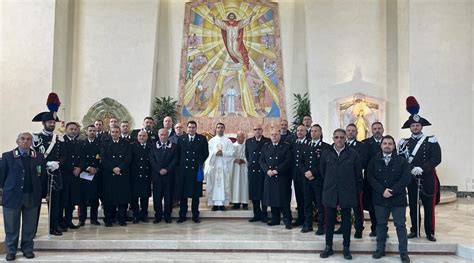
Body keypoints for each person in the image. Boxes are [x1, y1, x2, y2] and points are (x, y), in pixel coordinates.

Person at [399, 96, 441, 242]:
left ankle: (430, 232)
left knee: (429, 207)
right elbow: (401, 160)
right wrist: (411, 169)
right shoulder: (404, 143)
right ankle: (414, 230)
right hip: (411, 179)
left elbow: (437, 158)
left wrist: (422, 168)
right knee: (413, 207)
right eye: (413, 126)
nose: (415, 127)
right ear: (410, 128)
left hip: (427, 178)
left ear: (421, 126)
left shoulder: (431, 140)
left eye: (417, 125)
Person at [0, 133, 46, 261]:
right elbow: (1, 177)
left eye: (28, 139)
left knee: (29, 226)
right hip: (12, 196)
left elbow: (42, 177)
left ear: (32, 142)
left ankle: (27, 249)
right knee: (11, 226)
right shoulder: (7, 156)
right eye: (23, 139)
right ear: (17, 141)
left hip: (31, 196)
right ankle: (11, 250)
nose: (25, 141)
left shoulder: (39, 156)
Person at [320, 129, 362, 260]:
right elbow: (323, 172)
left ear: (345, 139)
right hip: (330, 191)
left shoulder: (353, 154)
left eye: (342, 137)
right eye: (336, 137)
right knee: (330, 221)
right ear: (333, 138)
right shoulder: (326, 153)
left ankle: (346, 247)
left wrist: (354, 192)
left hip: (347, 192)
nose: (339, 139)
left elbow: (358, 175)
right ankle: (328, 247)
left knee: (346, 222)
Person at [368, 135, 411, 263]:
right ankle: (380, 249)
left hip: (398, 200)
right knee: (380, 225)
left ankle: (403, 253)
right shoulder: (374, 161)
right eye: (385, 143)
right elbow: (370, 177)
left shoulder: (402, 161)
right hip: (380, 199)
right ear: (381, 146)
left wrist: (392, 191)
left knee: (400, 226)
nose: (387, 146)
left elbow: (406, 178)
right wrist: (382, 190)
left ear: (393, 146)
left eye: (390, 144)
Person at [31, 93, 64, 236]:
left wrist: (58, 163)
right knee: (36, 204)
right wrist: (45, 163)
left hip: (55, 174)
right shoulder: (35, 138)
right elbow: (33, 155)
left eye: (53, 123)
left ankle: (54, 227)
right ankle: (31, 229)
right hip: (39, 174)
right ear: (43, 124)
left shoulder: (59, 139)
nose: (51, 124)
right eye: (49, 122)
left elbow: (64, 155)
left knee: (55, 203)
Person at [334, 123, 368, 238]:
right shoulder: (340, 146)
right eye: (348, 130)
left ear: (357, 132)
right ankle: (343, 226)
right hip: (342, 182)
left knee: (357, 206)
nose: (350, 132)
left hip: (355, 181)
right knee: (343, 206)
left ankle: (359, 228)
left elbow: (362, 162)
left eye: (353, 130)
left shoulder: (362, 146)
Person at [259, 129, 293, 230]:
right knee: (272, 199)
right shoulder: (266, 146)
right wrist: (267, 170)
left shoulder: (286, 146)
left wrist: (276, 171)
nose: (274, 136)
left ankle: (287, 220)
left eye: (276, 134)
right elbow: (261, 161)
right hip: (269, 176)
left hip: (281, 177)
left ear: (279, 135)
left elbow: (288, 161)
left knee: (283, 200)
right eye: (272, 134)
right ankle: (275, 219)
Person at [176, 121, 209, 223]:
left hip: (195, 170)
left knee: (195, 195)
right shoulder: (181, 139)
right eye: (189, 127)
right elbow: (178, 154)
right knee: (183, 195)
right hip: (184, 171)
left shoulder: (202, 139)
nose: (191, 129)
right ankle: (182, 215)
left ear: (196, 128)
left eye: (193, 127)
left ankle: (195, 215)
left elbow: (205, 153)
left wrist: (199, 162)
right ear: (187, 128)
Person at [301, 124, 330, 235]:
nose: (313, 133)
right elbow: (301, 162)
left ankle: (321, 226)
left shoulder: (326, 147)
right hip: (306, 180)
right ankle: (308, 224)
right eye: (312, 131)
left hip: (319, 180)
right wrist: (305, 173)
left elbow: (324, 165)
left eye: (316, 131)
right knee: (307, 203)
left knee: (320, 204)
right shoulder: (305, 145)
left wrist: (313, 173)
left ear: (320, 133)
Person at [101, 125, 132, 227]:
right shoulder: (105, 144)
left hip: (122, 174)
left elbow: (128, 158)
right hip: (109, 174)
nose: (115, 134)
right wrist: (113, 168)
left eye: (117, 132)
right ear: (110, 133)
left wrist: (120, 168)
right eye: (113, 132)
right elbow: (104, 158)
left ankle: (122, 218)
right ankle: (109, 219)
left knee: (122, 198)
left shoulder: (126, 144)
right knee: (109, 198)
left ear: (120, 133)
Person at [149, 128, 178, 223]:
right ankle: (157, 216)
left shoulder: (174, 146)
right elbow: (151, 159)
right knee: (157, 197)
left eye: (165, 134)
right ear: (158, 135)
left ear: (168, 135)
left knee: (168, 197)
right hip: (157, 176)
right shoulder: (153, 146)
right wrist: (159, 169)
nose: (163, 136)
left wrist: (167, 169)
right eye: (161, 134)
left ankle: (167, 216)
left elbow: (175, 160)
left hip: (169, 175)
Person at [362, 121, 385, 236]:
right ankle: (374, 228)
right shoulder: (365, 143)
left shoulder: (388, 142)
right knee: (372, 205)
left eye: (379, 128)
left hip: (385, 180)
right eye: (375, 129)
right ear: (372, 130)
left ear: (383, 130)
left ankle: (383, 229)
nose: (377, 130)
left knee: (383, 206)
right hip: (370, 180)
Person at [205, 123, 234, 210]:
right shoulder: (211, 141)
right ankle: (214, 204)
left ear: (224, 129)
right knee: (213, 184)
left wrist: (223, 153)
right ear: (216, 129)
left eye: (221, 127)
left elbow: (232, 153)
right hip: (214, 166)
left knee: (224, 184)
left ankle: (222, 204)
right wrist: (214, 153)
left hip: (224, 166)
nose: (220, 129)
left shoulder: (228, 141)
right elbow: (207, 153)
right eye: (218, 127)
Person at [245, 124, 271, 223]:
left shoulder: (267, 141)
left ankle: (264, 214)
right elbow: (247, 155)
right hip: (253, 171)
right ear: (253, 131)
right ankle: (256, 214)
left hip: (263, 170)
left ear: (262, 130)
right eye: (255, 129)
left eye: (259, 129)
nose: (257, 131)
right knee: (254, 194)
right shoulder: (248, 141)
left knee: (263, 193)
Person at [60, 122, 82, 230]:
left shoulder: (78, 143)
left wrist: (79, 168)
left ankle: (69, 221)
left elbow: (82, 157)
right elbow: (62, 158)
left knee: (71, 200)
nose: (73, 131)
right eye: (71, 129)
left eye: (75, 129)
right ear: (66, 130)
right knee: (63, 200)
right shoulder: (61, 142)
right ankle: (61, 222)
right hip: (65, 175)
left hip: (75, 176)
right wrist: (72, 168)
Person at [79, 125, 102, 226]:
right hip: (84, 173)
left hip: (96, 174)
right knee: (82, 198)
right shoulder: (82, 143)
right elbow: (80, 158)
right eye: (90, 130)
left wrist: (96, 169)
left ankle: (94, 218)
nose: (92, 132)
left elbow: (103, 158)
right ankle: (82, 219)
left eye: (94, 131)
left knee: (94, 198)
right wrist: (87, 167)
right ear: (86, 132)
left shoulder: (101, 143)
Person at [130, 131, 152, 224]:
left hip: (146, 175)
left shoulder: (151, 146)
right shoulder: (132, 146)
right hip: (135, 175)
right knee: (134, 197)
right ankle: (135, 215)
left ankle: (144, 215)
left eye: (143, 136)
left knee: (145, 197)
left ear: (147, 137)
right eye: (140, 136)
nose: (141, 137)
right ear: (137, 137)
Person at [291, 125, 308, 227]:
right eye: (298, 131)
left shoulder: (308, 143)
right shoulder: (294, 143)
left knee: (306, 199)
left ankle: (307, 220)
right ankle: (300, 219)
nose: (299, 132)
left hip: (305, 175)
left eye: (302, 130)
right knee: (299, 199)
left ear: (306, 132)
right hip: (296, 175)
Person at [231, 131, 249, 210]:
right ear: (236, 137)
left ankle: (245, 203)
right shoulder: (232, 146)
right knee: (235, 185)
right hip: (235, 168)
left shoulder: (247, 146)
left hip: (244, 168)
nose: (240, 138)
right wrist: (234, 160)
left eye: (242, 137)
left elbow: (250, 156)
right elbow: (229, 157)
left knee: (244, 185)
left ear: (244, 138)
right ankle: (236, 203)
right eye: (239, 137)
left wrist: (244, 160)